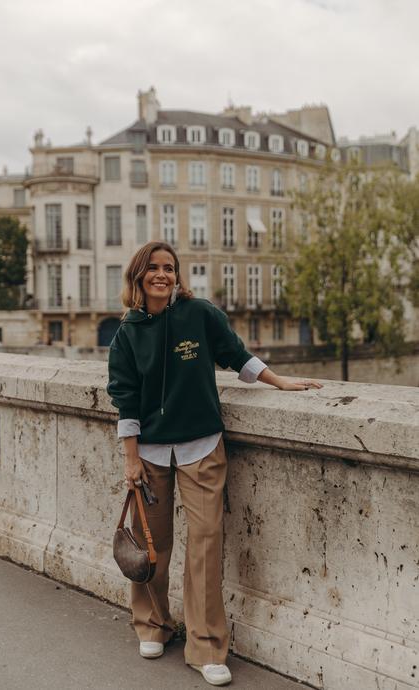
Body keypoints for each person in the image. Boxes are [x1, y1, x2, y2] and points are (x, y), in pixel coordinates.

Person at [107, 241, 322, 687]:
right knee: (153, 545)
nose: (163, 275)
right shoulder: (128, 330)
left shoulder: (200, 314)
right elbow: (124, 394)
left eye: (170, 268)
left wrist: (278, 381)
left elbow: (235, 354)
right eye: (154, 268)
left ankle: (205, 645)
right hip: (148, 454)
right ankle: (152, 625)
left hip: (201, 447)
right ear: (139, 276)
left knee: (205, 545)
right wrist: (130, 457)